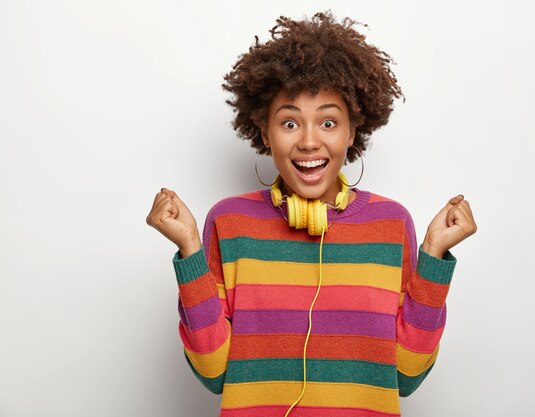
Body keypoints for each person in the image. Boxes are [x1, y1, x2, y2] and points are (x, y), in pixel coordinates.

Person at [146, 10, 477, 417]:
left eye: (328, 122)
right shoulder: (230, 223)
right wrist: (190, 251)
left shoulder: (391, 225)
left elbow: (407, 377)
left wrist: (434, 257)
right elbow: (215, 373)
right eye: (289, 122)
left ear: (352, 131)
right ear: (264, 132)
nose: (308, 141)